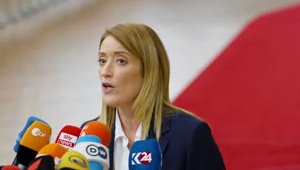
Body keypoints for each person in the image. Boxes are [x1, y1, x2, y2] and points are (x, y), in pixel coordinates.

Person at [84, 23, 225, 170]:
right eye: (102, 60)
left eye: (121, 61)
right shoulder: (89, 137)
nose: (105, 72)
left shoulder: (190, 134)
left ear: (149, 70)